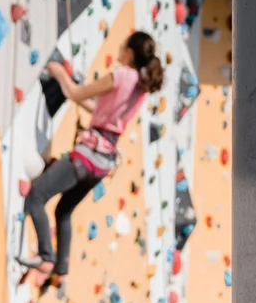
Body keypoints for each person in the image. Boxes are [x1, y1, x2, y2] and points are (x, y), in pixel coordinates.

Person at [19, 30, 166, 286]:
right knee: (64, 210)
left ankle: (46, 256)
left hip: (86, 157)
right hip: (103, 164)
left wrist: (57, 71)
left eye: (123, 45)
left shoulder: (121, 75)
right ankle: (62, 265)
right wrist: (70, 84)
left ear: (129, 52)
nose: (120, 48)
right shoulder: (140, 88)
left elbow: (76, 94)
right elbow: (97, 109)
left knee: (36, 197)